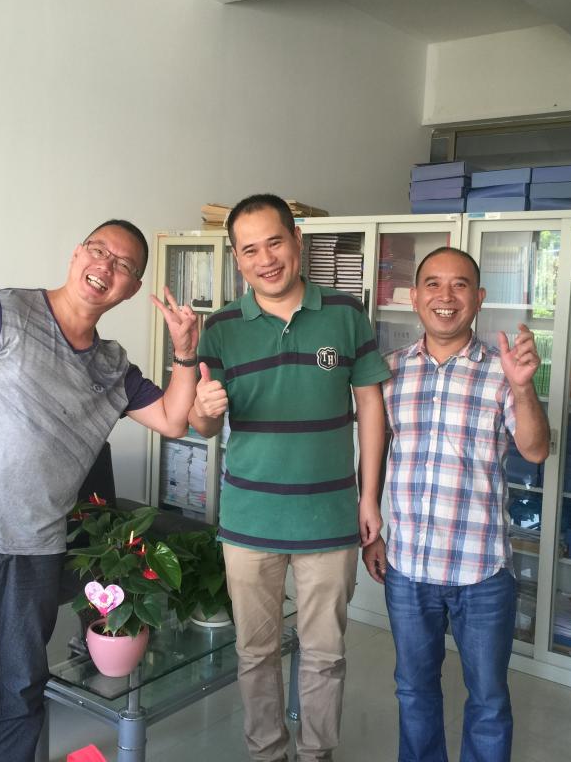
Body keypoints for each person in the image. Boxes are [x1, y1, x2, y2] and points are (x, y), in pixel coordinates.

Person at [0, 219, 200, 762]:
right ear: (77, 254)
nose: (106, 266)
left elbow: (173, 419)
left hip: (35, 550)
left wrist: (185, 352)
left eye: (123, 265)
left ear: (131, 288)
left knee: (23, 689)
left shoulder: (113, 367)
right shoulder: (1, 311)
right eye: (99, 251)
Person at [189, 194, 390, 762]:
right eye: (250, 250)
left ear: (297, 240)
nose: (266, 259)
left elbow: (370, 408)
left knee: (325, 654)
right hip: (250, 519)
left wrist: (369, 497)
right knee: (255, 653)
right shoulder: (221, 328)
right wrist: (204, 408)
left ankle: (317, 753)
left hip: (328, 517)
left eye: (275, 242)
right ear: (237, 258)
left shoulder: (346, 315)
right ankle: (267, 752)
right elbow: (204, 424)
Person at [363, 247, 550, 762]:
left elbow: (536, 449)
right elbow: (373, 455)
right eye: (433, 284)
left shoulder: (501, 372)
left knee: (488, 700)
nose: (446, 296)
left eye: (460, 284)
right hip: (408, 566)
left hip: (481, 570)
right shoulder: (389, 371)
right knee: (414, 691)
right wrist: (373, 531)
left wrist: (524, 388)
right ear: (414, 296)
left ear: (479, 297)